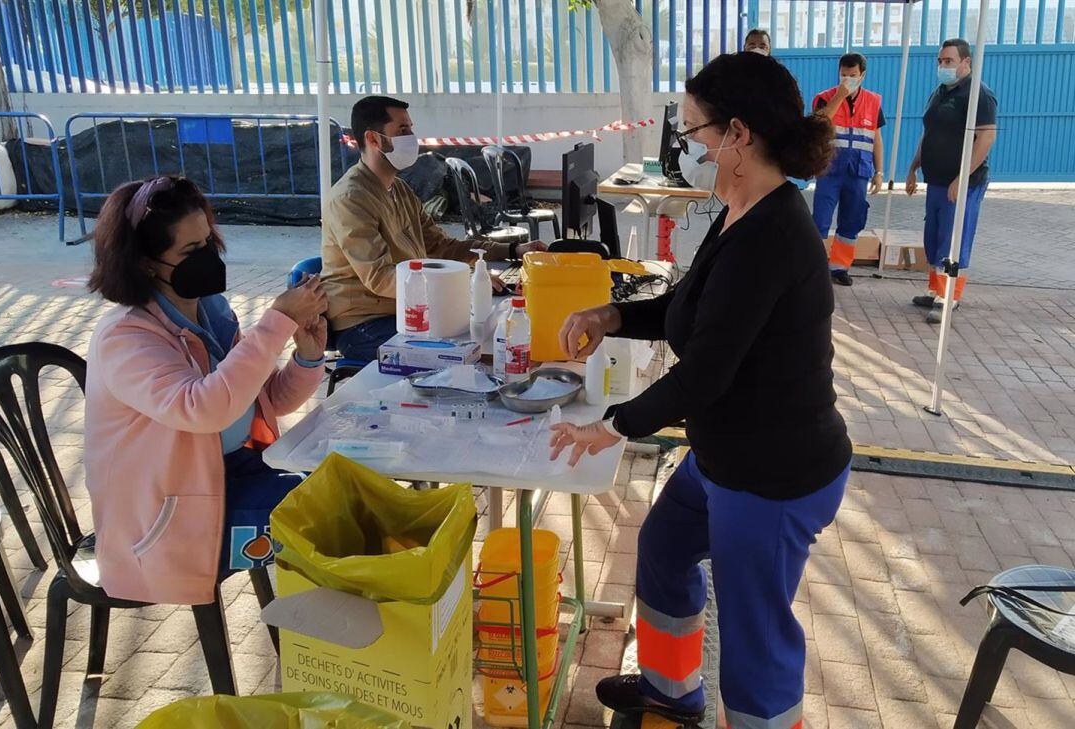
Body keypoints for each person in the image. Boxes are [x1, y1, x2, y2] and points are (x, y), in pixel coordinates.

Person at [551, 52, 852, 727]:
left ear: (738, 135)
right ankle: (671, 690)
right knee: (663, 547)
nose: (686, 147)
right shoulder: (739, 209)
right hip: (724, 456)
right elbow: (690, 307)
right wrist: (612, 316)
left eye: (693, 133)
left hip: (775, 473)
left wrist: (613, 425)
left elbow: (705, 371)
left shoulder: (773, 235)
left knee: (754, 638)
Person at [84, 176, 328, 605]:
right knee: (331, 526)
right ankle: (333, 655)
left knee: (343, 492)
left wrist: (307, 357)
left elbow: (263, 402)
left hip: (229, 474)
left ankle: (338, 651)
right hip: (172, 522)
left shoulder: (210, 312)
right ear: (144, 263)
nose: (208, 258)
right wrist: (275, 324)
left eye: (209, 243)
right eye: (191, 252)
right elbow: (205, 410)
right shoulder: (125, 338)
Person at [321, 95, 545, 361]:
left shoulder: (399, 189)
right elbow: (380, 278)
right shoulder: (351, 198)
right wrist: (465, 287)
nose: (412, 137)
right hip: (364, 323)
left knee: (492, 334)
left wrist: (512, 249)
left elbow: (441, 246)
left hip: (408, 310)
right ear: (373, 139)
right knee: (472, 354)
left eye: (411, 129)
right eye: (403, 130)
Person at [906, 38, 998, 324]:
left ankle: (950, 296)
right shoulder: (940, 93)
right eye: (940, 61)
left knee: (954, 238)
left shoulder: (978, 95)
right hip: (936, 179)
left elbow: (986, 137)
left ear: (966, 62)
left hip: (962, 183)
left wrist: (963, 176)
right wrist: (913, 167)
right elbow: (929, 132)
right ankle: (936, 290)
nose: (943, 66)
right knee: (933, 237)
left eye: (949, 61)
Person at [811, 52, 885, 287]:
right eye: (843, 75)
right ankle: (814, 267)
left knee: (852, 221)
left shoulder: (873, 102)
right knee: (820, 220)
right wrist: (840, 97)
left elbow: (877, 138)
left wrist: (879, 171)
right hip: (829, 170)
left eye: (852, 76)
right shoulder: (825, 98)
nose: (847, 80)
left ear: (862, 75)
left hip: (858, 171)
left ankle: (839, 268)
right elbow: (820, 123)